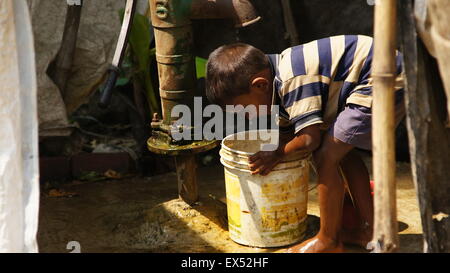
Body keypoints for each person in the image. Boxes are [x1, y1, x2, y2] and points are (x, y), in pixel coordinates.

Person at [205, 35, 405, 253]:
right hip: (371, 76)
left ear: (259, 84)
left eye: (243, 109)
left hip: (381, 75)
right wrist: (277, 150)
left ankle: (329, 240)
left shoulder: (292, 79)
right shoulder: (275, 90)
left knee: (326, 156)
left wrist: (278, 152)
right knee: (344, 154)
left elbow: (309, 139)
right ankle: (370, 230)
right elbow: (290, 135)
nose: (245, 117)